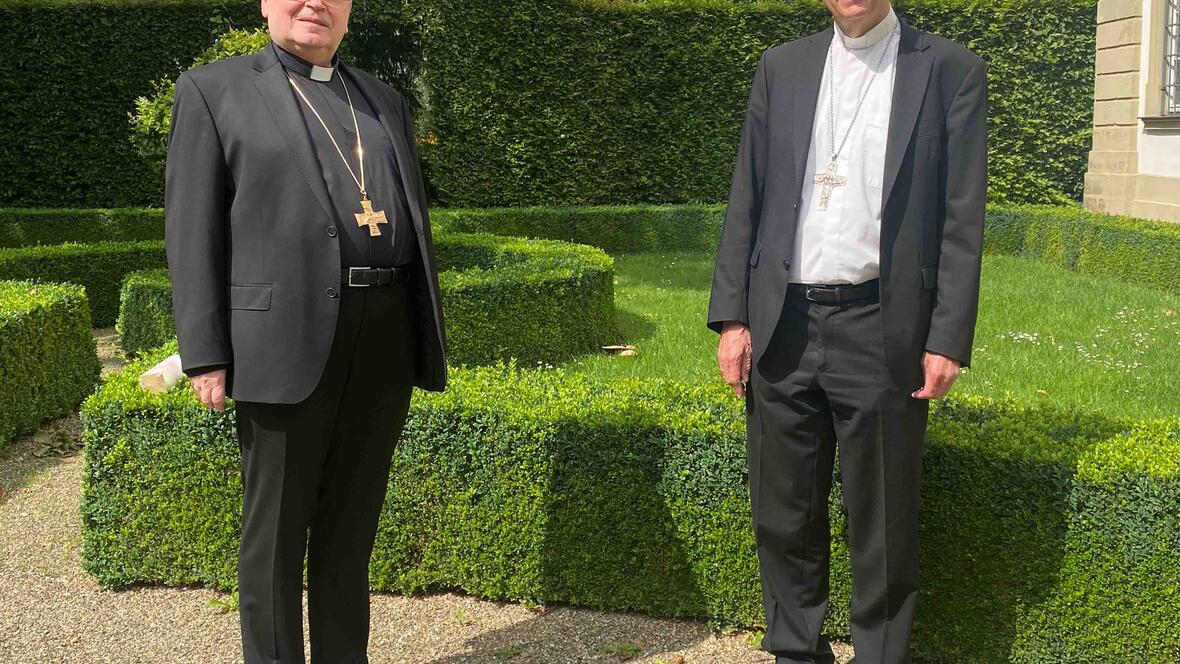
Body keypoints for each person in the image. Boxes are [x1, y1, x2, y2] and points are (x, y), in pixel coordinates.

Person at [163, 0, 447, 660]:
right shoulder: (214, 91)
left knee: (351, 538)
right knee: (275, 545)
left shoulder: (381, 101)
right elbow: (191, 227)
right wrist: (204, 350)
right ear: (264, 3)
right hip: (281, 345)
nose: (314, 3)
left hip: (383, 341)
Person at [706, 1, 987, 662]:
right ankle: (797, 651)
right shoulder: (781, 67)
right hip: (784, 324)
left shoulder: (949, 70)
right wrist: (733, 316)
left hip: (882, 325)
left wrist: (947, 335)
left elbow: (962, 215)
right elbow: (746, 193)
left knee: (883, 521)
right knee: (783, 515)